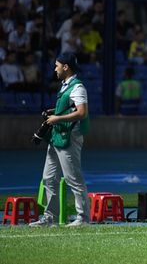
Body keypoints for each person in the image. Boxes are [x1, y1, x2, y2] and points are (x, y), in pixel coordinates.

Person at [30, 53, 91, 227]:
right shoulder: (66, 86)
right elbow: (69, 108)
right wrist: (53, 111)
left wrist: (57, 119)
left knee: (73, 178)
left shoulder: (78, 87)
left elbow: (81, 112)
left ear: (66, 67)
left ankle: (83, 218)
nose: (54, 69)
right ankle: (50, 218)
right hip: (58, 136)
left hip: (69, 136)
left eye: (57, 65)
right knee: (49, 178)